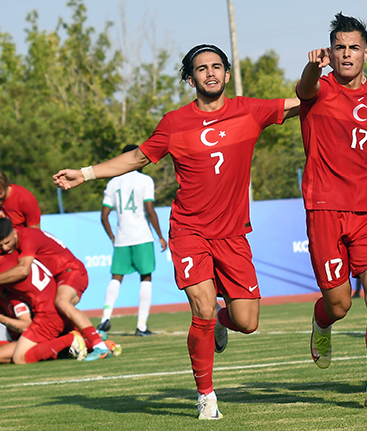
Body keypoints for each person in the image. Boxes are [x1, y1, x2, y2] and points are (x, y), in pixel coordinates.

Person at [53, 43, 299, 420]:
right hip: (190, 231)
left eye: (217, 67)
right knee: (201, 308)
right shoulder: (174, 122)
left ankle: (222, 320)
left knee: (247, 321)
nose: (210, 73)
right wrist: (84, 174)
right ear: (190, 79)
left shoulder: (250, 110)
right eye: (201, 69)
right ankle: (206, 397)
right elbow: (136, 157)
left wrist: (335, 81)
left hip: (232, 235)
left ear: (227, 74)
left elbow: (302, 101)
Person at [296, 13, 367, 409]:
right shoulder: (318, 87)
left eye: (353, 47)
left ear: (366, 51)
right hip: (324, 207)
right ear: (331, 50)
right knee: (339, 304)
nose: (346, 54)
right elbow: (303, 88)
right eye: (339, 47)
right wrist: (313, 65)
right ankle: (321, 321)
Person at [0, 218, 111, 361]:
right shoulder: (17, 238)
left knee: (62, 302)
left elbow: (23, 270)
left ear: (14, 232)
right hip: (59, 276)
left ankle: (100, 346)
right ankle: (94, 336)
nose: (5, 248)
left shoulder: (28, 238)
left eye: (7, 243)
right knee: (58, 311)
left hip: (70, 270)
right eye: (1, 245)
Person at [97, 144, 168, 336]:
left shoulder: (112, 183)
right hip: (142, 236)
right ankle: (141, 326)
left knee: (116, 278)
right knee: (145, 277)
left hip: (122, 238)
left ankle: (105, 317)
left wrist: (112, 236)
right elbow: (149, 209)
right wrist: (160, 236)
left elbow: (104, 216)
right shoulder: (145, 180)